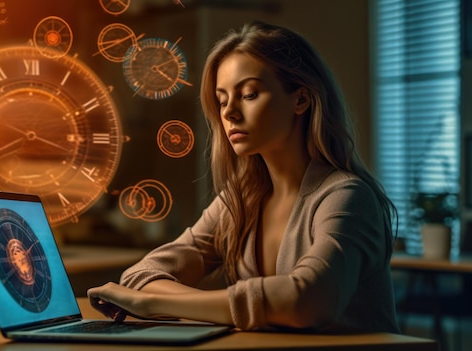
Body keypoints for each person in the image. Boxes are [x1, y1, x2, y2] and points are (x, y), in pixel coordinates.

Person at [87, 21, 400, 333]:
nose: (229, 113)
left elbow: (304, 302)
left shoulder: (348, 197)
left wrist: (152, 304)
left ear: (301, 100)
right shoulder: (240, 199)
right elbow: (141, 276)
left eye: (249, 94)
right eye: (222, 100)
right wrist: (154, 299)